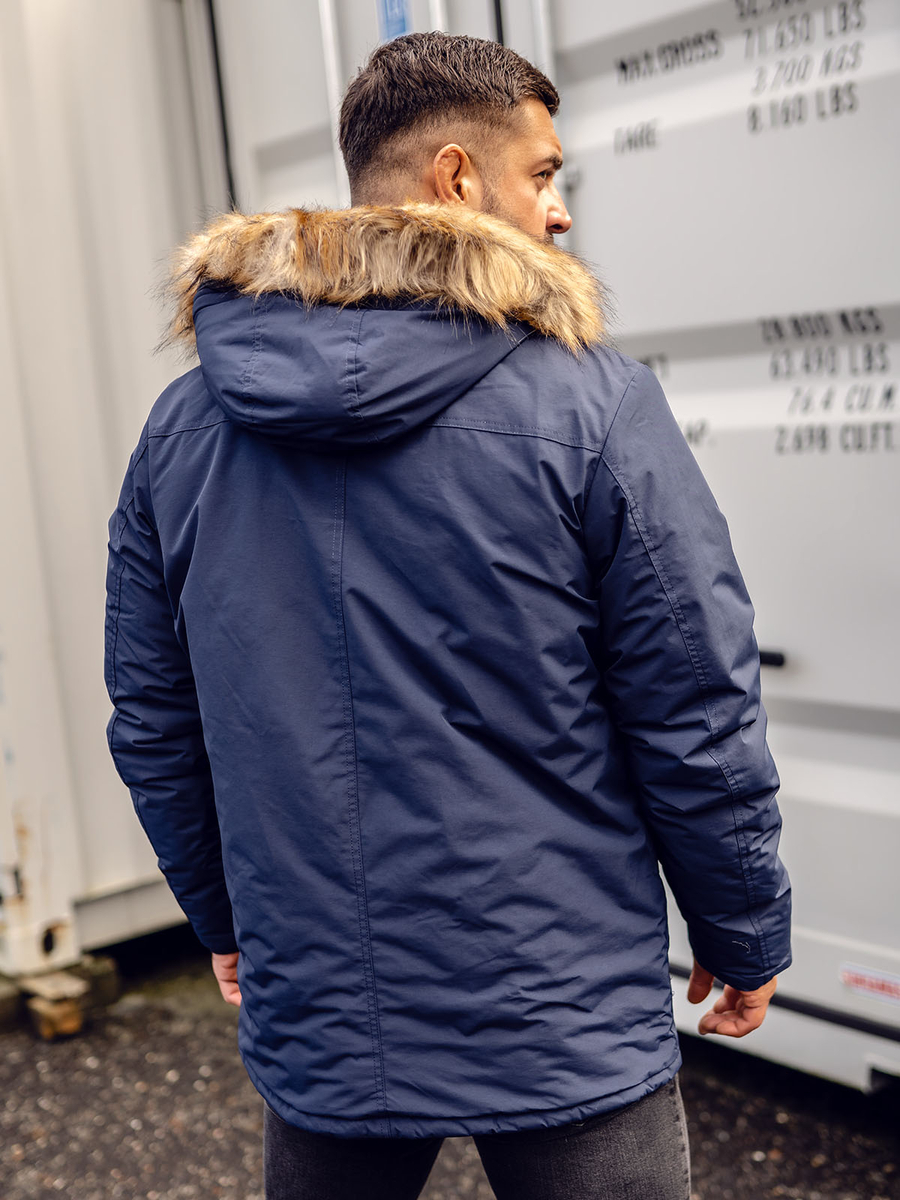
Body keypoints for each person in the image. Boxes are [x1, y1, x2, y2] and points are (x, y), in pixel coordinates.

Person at [104, 31, 791, 1200]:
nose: (560, 211)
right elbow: (694, 700)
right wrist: (742, 928)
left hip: (324, 998)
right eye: (545, 173)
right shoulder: (590, 403)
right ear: (459, 178)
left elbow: (154, 715)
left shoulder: (185, 428)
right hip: (563, 1004)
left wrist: (226, 917)